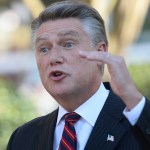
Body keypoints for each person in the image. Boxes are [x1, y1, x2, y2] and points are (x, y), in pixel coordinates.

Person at [7, 1, 150, 150]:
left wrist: (132, 98)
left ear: (100, 52)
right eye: (44, 49)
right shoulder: (23, 138)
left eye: (68, 44)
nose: (54, 58)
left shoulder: (138, 122)